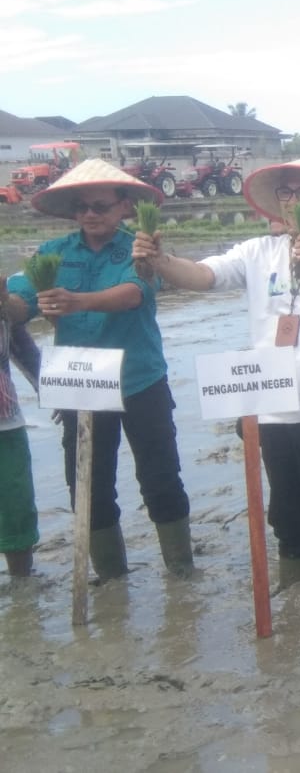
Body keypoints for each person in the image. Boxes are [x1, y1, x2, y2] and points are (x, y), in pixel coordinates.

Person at [132, 158, 300, 595]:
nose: (296, 202)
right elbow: (205, 276)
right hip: (275, 412)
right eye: (287, 193)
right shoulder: (257, 252)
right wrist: (161, 260)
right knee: (289, 519)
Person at [3, 160, 194, 580]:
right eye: (83, 207)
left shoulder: (139, 250)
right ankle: (110, 579)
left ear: (124, 207)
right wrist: (6, 300)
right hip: (80, 384)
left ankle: (181, 572)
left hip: (139, 380)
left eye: (101, 206)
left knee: (160, 477)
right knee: (86, 484)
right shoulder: (53, 254)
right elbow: (20, 306)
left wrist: (75, 301)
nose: (91, 214)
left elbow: (133, 294)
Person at [0, 313, 42, 576]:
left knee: (17, 504)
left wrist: (50, 389)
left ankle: (22, 585)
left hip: (6, 419)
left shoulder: (4, 306)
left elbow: (22, 346)